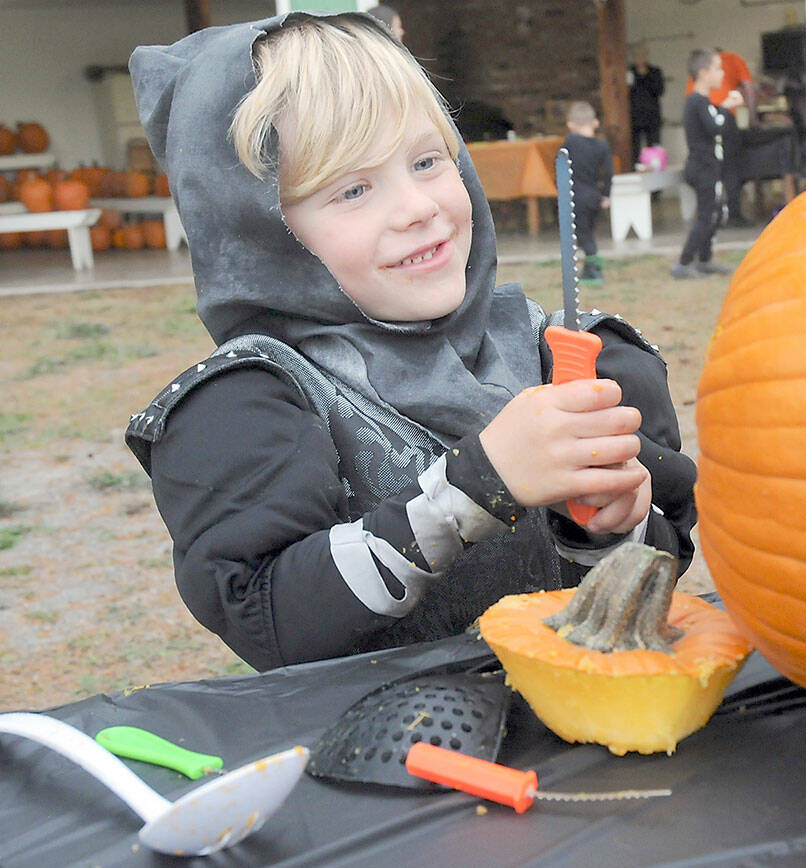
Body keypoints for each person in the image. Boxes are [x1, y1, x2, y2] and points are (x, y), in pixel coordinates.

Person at [123, 12, 697, 671]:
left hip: (579, 737)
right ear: (258, 229)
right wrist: (478, 484)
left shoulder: (554, 352)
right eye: (354, 189)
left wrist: (605, 526)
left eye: (427, 161)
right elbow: (270, 618)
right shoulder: (252, 402)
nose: (417, 207)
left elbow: (647, 581)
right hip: (388, 756)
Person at [672, 48, 740, 280]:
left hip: (709, 167)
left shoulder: (704, 102)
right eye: (718, 68)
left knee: (715, 213)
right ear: (703, 73)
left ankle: (705, 259)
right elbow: (715, 127)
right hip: (702, 168)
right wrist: (728, 106)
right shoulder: (697, 102)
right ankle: (683, 263)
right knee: (706, 216)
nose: (722, 73)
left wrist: (722, 107)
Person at [685, 49, 755, 226]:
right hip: (723, 117)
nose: (722, 72)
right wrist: (752, 117)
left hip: (711, 118)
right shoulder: (733, 58)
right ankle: (732, 213)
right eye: (718, 68)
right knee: (731, 166)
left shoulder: (696, 93)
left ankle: (717, 214)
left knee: (718, 165)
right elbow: (748, 86)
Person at [561, 101, 612, 285]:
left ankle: (595, 270)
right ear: (595, 122)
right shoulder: (602, 145)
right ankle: (589, 269)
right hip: (594, 195)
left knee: (583, 235)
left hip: (576, 196)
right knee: (589, 232)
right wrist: (606, 194)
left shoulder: (571, 142)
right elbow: (608, 172)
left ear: (571, 124)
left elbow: (559, 164)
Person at [628, 44, 665, 167]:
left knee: (654, 148)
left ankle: (656, 179)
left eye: (642, 55)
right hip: (634, 117)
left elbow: (660, 90)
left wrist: (646, 76)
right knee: (635, 150)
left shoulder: (655, 72)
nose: (640, 58)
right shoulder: (629, 72)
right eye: (637, 56)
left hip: (652, 116)